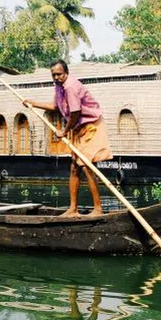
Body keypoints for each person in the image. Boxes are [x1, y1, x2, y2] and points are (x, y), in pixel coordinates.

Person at [24, 60, 113, 217]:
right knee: (74, 167)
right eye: (54, 75)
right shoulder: (59, 87)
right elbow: (56, 107)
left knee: (87, 166)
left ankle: (98, 209)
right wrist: (34, 103)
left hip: (91, 126)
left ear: (66, 73)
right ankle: (73, 209)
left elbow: (75, 113)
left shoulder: (71, 86)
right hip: (79, 129)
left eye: (59, 74)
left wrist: (64, 132)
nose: (57, 77)